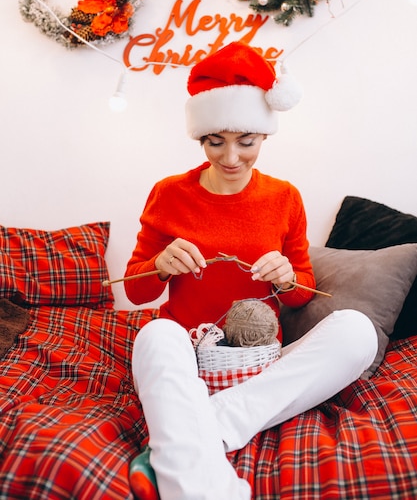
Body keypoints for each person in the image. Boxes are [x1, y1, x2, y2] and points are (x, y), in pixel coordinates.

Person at [125, 42, 378, 500]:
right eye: (214, 141)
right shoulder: (168, 193)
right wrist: (159, 266)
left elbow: (302, 294)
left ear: (264, 135)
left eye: (247, 142)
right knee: (153, 337)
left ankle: (189, 436)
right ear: (199, 138)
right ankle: (204, 463)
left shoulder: (284, 197)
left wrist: (286, 278)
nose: (231, 157)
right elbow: (137, 292)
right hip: (188, 357)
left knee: (358, 332)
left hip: (260, 362)